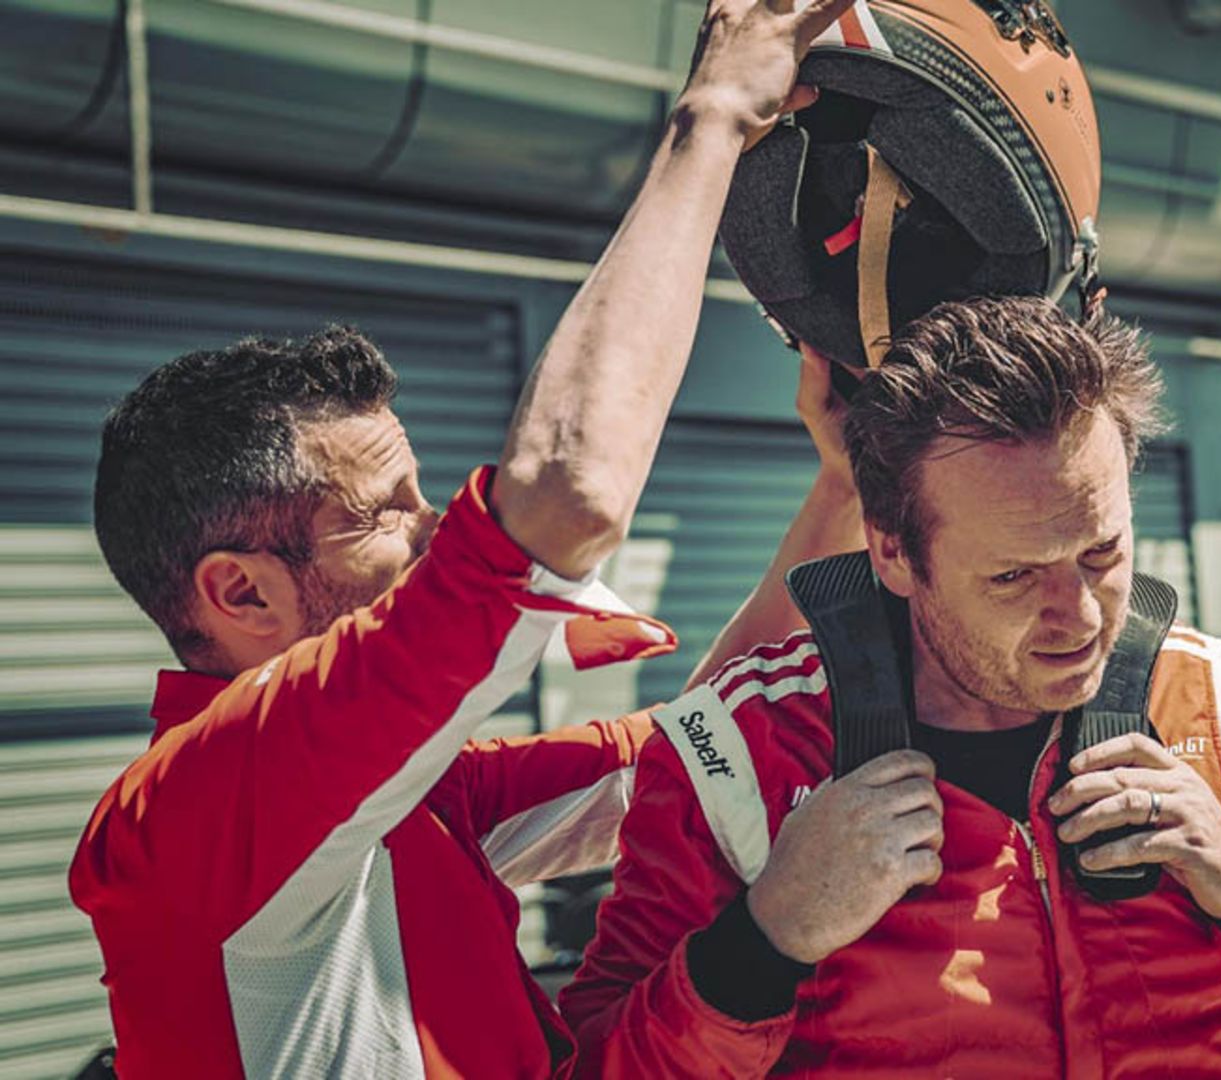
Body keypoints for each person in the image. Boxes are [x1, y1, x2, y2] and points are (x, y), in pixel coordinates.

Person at [67, 1, 861, 1076]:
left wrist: (844, 482)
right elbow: (567, 500)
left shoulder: (414, 794)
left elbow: (697, 742)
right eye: (385, 509)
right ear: (242, 593)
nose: (436, 524)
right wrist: (714, 113)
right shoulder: (191, 816)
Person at [558, 295, 1221, 1078]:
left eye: (1102, 552)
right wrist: (763, 943)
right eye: (1014, 576)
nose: (1082, 617)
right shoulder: (738, 754)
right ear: (893, 552)